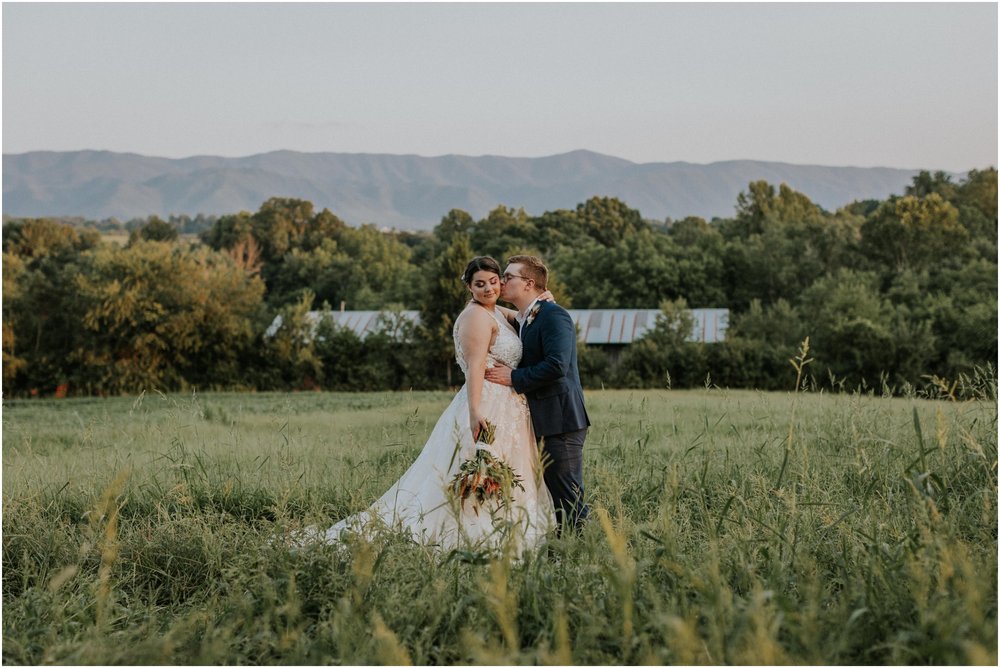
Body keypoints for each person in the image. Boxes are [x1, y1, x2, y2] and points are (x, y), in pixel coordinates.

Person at [305, 256, 554, 553]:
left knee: (509, 470)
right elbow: (475, 368)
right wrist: (475, 413)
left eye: (492, 281)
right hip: (486, 401)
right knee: (478, 469)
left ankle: (512, 527)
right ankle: (469, 534)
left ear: (500, 281)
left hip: (509, 405)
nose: (488, 288)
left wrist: (542, 300)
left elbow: (522, 316)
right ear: (469, 287)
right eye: (479, 284)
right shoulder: (476, 317)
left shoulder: (495, 311)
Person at [485, 255, 591, 535]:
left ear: (529, 283)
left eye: (508, 277)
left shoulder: (554, 315)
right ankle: (561, 546)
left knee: (567, 493)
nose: (502, 281)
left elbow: (558, 365)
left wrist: (514, 378)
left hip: (561, 420)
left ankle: (580, 548)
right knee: (552, 492)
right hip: (541, 419)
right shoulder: (524, 318)